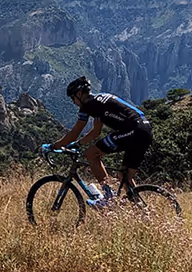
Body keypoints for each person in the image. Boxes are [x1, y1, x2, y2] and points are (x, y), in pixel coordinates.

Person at [41, 76, 153, 208]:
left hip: (133, 130)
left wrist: (53, 146)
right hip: (145, 129)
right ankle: (144, 212)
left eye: (73, 98)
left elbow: (75, 132)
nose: (73, 102)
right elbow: (96, 131)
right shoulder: (98, 100)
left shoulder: (88, 105)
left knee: (91, 154)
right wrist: (77, 144)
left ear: (79, 94)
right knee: (124, 177)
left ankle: (108, 198)